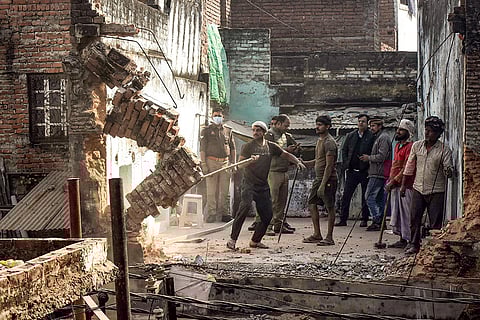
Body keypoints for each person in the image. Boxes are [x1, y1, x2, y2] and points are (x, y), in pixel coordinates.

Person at [226, 121, 306, 250]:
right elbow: (240, 165)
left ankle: (255, 241)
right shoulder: (248, 147)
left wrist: (297, 162)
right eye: (254, 130)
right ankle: (232, 240)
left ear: (264, 132)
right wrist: (249, 160)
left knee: (267, 215)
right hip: (249, 184)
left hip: (263, 185)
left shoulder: (271, 146)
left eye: (258, 130)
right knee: (244, 209)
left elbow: (285, 154)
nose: (255, 133)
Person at [401, 116, 454, 254]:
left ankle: (433, 246)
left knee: (435, 221)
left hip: (437, 190)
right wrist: (403, 186)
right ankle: (414, 244)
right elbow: (409, 167)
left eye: (431, 131)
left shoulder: (444, 149)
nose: (427, 133)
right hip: (418, 188)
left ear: (438, 134)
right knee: (414, 218)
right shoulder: (416, 146)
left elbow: (448, 168)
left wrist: (448, 170)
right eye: (426, 130)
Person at [249, 114, 300, 235]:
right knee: (271, 201)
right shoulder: (269, 135)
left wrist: (295, 151)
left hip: (283, 170)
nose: (287, 128)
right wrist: (287, 151)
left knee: (282, 201)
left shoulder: (286, 136)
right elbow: (269, 151)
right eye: (285, 125)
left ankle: (279, 224)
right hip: (272, 171)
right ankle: (267, 225)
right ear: (278, 124)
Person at [302, 115, 338, 246]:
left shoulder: (329, 142)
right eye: (317, 124)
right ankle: (317, 234)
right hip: (318, 178)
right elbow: (318, 160)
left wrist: (323, 184)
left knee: (330, 207)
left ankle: (329, 237)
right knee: (312, 203)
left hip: (328, 179)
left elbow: (329, 165)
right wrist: (305, 163)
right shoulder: (320, 141)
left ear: (327, 127)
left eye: (320, 125)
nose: (317, 127)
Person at [336, 114, 374, 227]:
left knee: (365, 196)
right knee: (346, 195)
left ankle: (364, 219)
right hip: (352, 170)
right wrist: (347, 162)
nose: (361, 123)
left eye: (363, 121)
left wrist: (368, 161)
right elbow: (344, 149)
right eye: (359, 121)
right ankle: (343, 219)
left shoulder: (371, 136)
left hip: (365, 171)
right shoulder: (351, 135)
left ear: (367, 123)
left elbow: (372, 151)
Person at [200, 108, 236, 223]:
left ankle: (225, 214)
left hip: (225, 163)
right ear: (211, 117)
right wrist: (204, 164)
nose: (217, 117)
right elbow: (202, 149)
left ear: (223, 117)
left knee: (225, 191)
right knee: (211, 190)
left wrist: (233, 163)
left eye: (219, 115)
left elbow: (233, 148)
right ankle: (212, 214)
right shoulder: (206, 131)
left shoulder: (228, 131)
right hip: (211, 162)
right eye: (215, 115)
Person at [385, 119, 416, 248]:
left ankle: (409, 240)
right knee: (396, 212)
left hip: (406, 184)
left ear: (408, 132)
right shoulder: (397, 146)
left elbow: (406, 167)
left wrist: (395, 180)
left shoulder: (410, 147)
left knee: (406, 213)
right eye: (398, 129)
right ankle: (402, 239)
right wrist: (390, 180)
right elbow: (395, 165)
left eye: (401, 130)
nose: (398, 132)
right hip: (395, 184)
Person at [360, 118, 391, 231]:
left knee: (369, 196)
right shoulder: (378, 137)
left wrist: (369, 158)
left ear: (379, 126)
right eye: (371, 126)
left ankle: (377, 219)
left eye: (373, 126)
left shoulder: (383, 138)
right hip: (375, 171)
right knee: (378, 199)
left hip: (379, 172)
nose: (371, 128)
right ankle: (381, 221)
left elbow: (382, 156)